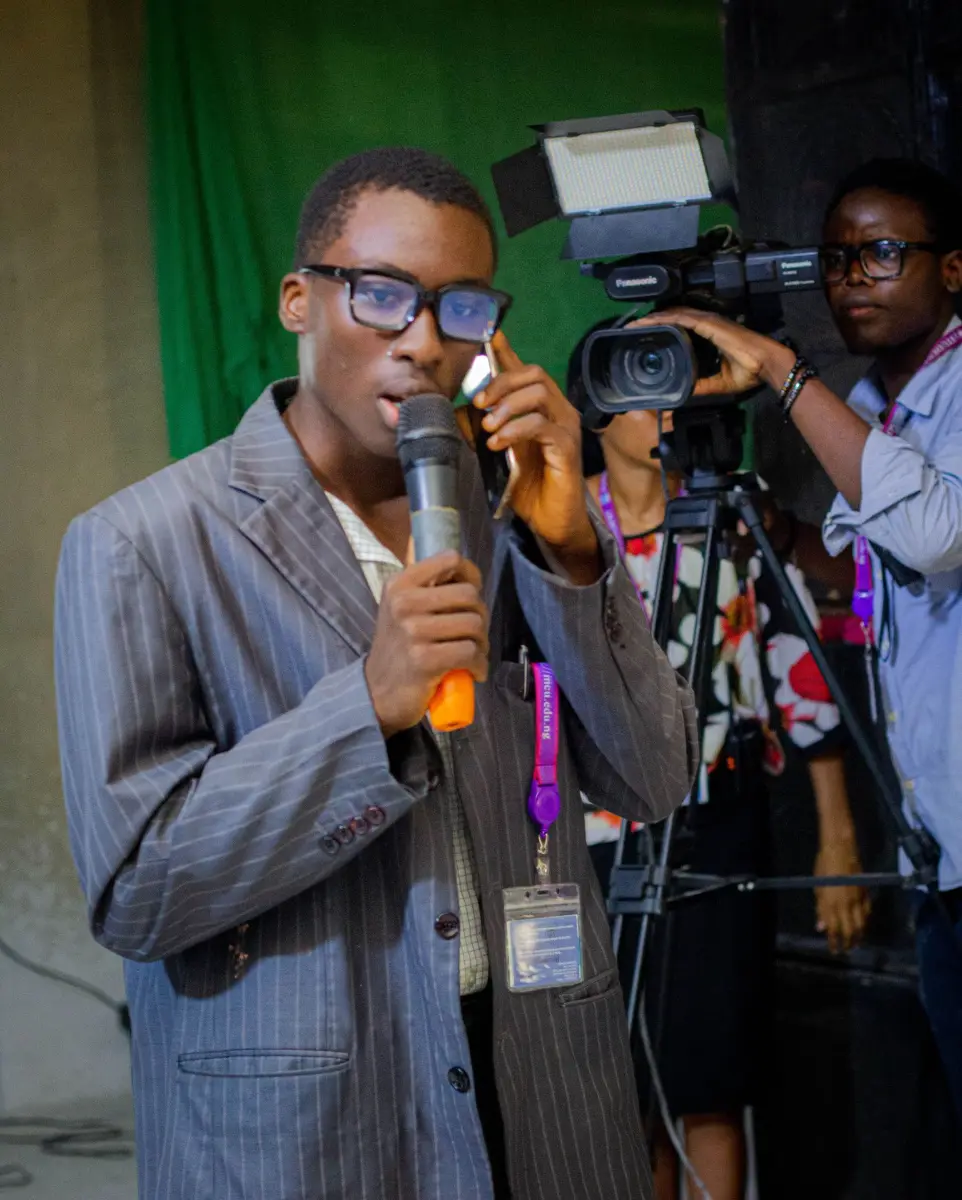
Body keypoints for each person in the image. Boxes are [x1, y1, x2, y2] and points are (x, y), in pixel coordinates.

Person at [54, 147, 698, 1200]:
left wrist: (574, 552)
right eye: (383, 297)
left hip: (541, 1092)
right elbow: (139, 893)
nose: (422, 341)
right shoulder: (144, 543)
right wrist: (365, 707)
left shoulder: (513, 511)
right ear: (299, 300)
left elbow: (653, 779)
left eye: (459, 308)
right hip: (312, 1126)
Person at [639, 158, 962, 1119]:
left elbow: (937, 537)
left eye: (883, 253)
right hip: (940, 848)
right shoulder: (873, 405)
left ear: (952, 269)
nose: (852, 276)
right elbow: (877, 581)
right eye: (835, 258)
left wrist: (781, 368)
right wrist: (778, 534)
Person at [567, 336, 870, 1200]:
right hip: (597, 836)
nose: (661, 400)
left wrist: (837, 835)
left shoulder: (730, 512)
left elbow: (796, 669)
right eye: (634, 383)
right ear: (590, 402)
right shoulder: (559, 526)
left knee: (710, 1082)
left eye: (674, 376)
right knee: (626, 1086)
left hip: (718, 825)